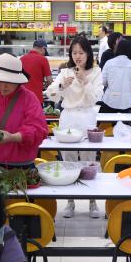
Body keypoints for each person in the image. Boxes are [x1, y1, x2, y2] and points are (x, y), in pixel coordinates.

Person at [45, 36, 103, 219]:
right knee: (68, 161)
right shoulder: (65, 72)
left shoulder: (96, 72)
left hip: (86, 117)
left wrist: (85, 81)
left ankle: (92, 200)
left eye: (81, 52)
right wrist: (62, 85)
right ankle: (70, 201)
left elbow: (96, 97)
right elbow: (50, 93)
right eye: (74, 52)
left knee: (88, 160)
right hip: (68, 118)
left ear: (88, 54)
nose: (77, 56)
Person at [99, 39, 131, 112]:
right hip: (127, 101)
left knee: (109, 119)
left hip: (110, 100)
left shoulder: (109, 63)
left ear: (117, 49)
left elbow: (103, 81)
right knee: (125, 119)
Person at [20, 38, 53, 103]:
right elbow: (50, 80)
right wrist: (48, 86)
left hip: (22, 98)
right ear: (42, 49)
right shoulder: (43, 59)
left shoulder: (21, 59)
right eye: (44, 52)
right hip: (36, 98)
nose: (44, 55)